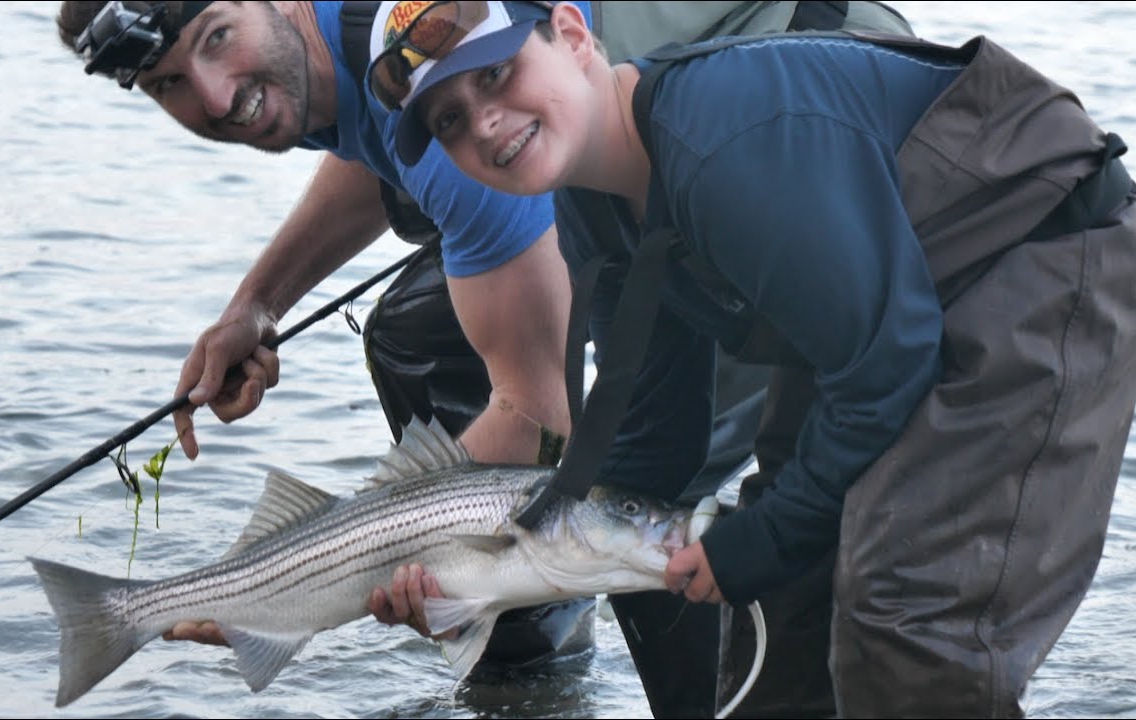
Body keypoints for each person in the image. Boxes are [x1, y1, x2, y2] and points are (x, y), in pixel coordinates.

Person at [53, 0, 921, 711]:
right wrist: (259, 303)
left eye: (216, 39)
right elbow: (375, 149)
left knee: (673, 487)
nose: (211, 96)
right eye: (166, 83)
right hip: (659, 175)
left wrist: (341, 567)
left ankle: (712, 693)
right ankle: (533, 653)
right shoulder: (376, 68)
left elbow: (541, 416)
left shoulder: (468, 118)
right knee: (415, 338)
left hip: (799, 139)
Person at [388, 0, 1136, 716]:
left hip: (1040, 252)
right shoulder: (592, 208)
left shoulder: (721, 145)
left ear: (572, 34)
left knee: (906, 608)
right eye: (449, 121)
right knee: (787, 591)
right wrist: (472, 570)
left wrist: (762, 538)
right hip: (887, 308)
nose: (484, 121)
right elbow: (656, 443)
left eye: (495, 75)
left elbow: (887, 363)